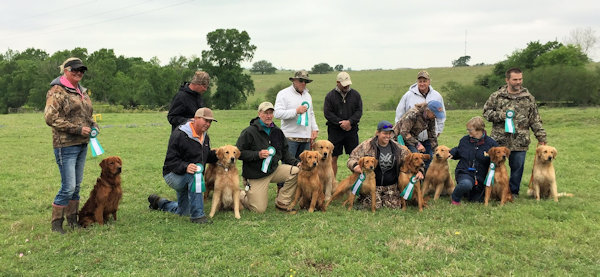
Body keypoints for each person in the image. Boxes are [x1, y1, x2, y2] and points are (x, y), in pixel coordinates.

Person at [45, 57, 96, 234]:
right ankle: (56, 224)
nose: (79, 72)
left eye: (81, 70)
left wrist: (93, 125)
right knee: (68, 187)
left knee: (77, 186)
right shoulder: (57, 90)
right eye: (74, 69)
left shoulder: (81, 91)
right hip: (65, 145)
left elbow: (87, 114)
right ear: (65, 70)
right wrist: (77, 129)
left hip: (82, 143)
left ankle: (72, 220)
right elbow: (50, 118)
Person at [483, 67, 547, 197]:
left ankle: (512, 192)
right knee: (495, 166)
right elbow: (486, 113)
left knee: (517, 168)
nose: (518, 82)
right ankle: (493, 192)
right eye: (515, 79)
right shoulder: (497, 96)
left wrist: (541, 137)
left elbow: (534, 119)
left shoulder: (528, 98)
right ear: (507, 80)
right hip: (499, 141)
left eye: (520, 79)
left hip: (520, 140)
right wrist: (501, 115)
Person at [148, 108, 218, 224]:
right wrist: (186, 167)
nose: (208, 124)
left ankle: (160, 203)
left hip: (189, 176)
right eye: (205, 120)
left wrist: (220, 154)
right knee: (195, 176)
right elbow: (170, 161)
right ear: (195, 118)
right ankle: (198, 217)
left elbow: (205, 157)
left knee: (184, 211)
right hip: (173, 175)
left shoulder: (205, 136)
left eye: (210, 122)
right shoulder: (179, 134)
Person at [236, 102, 300, 213]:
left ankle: (282, 202)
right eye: (266, 113)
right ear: (259, 114)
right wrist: (257, 154)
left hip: (274, 170)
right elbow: (238, 153)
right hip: (256, 175)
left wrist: (296, 162)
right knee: (258, 210)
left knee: (296, 171)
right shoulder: (249, 131)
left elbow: (285, 152)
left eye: (271, 113)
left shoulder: (278, 132)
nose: (269, 116)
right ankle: (241, 195)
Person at [346, 120, 412, 209]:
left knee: (394, 206)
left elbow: (411, 159)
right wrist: (355, 166)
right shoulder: (367, 145)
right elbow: (351, 159)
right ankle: (364, 197)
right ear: (377, 133)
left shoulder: (397, 147)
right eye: (385, 133)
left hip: (390, 186)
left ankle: (388, 196)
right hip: (373, 185)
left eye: (390, 134)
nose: (388, 136)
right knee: (373, 205)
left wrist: (419, 171)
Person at [395, 70, 446, 170]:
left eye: (425, 81)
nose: (436, 116)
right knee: (416, 160)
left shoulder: (431, 116)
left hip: (416, 137)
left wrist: (437, 150)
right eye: (420, 81)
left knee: (429, 157)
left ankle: (424, 183)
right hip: (403, 136)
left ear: (429, 81)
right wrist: (418, 144)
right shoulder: (413, 114)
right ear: (429, 111)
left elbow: (432, 135)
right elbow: (404, 132)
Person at [449, 116, 498, 205]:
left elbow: (498, 157)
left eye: (470, 130)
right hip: (465, 172)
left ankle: (467, 192)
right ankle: (455, 198)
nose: (468, 132)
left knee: (476, 200)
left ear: (479, 130)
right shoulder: (464, 140)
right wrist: (452, 153)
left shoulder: (491, 143)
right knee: (466, 184)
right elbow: (459, 151)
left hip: (481, 177)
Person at [323, 71, 363, 177]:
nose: (347, 86)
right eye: (344, 84)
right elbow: (327, 113)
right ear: (338, 82)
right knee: (333, 158)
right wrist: (340, 123)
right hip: (335, 131)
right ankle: (332, 184)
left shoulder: (356, 95)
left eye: (348, 84)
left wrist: (350, 122)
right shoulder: (330, 96)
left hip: (352, 130)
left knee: (355, 157)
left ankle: (356, 185)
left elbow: (359, 111)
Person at [274, 70, 319, 159]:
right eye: (301, 81)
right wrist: (295, 111)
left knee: (305, 168)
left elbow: (311, 113)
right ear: (294, 81)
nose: (303, 84)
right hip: (290, 138)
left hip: (306, 139)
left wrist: (314, 129)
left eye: (305, 81)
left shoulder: (307, 95)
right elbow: (277, 113)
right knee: (289, 169)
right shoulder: (283, 94)